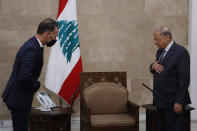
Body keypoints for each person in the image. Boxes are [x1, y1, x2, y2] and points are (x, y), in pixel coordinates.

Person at [1, 18, 58, 131]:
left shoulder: (34, 44)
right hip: (19, 98)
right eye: (54, 36)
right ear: (47, 34)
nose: (55, 39)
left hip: (20, 96)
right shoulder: (32, 48)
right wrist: (36, 84)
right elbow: (24, 76)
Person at [150, 26, 191, 131]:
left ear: (166, 37)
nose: (155, 42)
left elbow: (184, 79)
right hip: (160, 100)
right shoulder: (159, 51)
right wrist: (152, 67)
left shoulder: (181, 52)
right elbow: (157, 68)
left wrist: (179, 101)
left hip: (173, 102)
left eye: (157, 39)